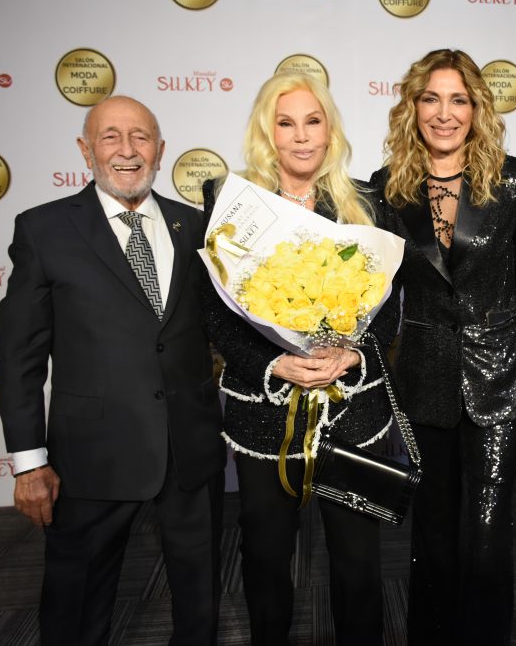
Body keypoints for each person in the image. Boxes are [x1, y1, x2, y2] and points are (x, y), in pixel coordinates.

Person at [0, 95, 226, 645]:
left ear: (160, 150)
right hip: (90, 457)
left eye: (141, 137)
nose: (127, 150)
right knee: (77, 601)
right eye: (110, 137)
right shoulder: (44, 230)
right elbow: (20, 355)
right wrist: (29, 463)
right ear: (86, 150)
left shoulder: (196, 226)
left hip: (190, 450)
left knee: (200, 595)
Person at [200, 70, 397, 646]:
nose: (302, 136)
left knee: (358, 560)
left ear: (330, 129)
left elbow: (389, 306)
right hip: (265, 416)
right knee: (265, 555)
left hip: (351, 413)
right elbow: (216, 312)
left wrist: (353, 355)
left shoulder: (367, 202)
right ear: (268, 133)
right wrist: (275, 364)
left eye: (313, 121)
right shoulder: (233, 204)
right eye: (286, 124)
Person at [369, 48, 516, 645]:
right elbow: (381, 293)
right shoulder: (387, 189)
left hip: (499, 378)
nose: (445, 114)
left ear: (476, 109)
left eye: (459, 100)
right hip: (424, 379)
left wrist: (492, 324)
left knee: (488, 533)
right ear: (413, 108)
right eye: (431, 99)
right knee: (432, 533)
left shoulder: (510, 178)